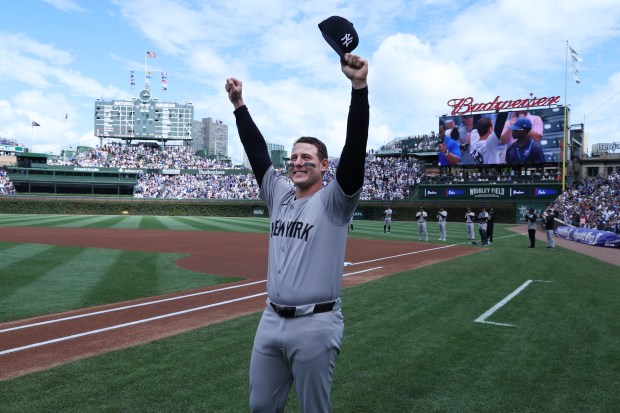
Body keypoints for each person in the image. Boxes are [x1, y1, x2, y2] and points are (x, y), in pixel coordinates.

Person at [226, 52, 369, 412]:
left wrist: (358, 88)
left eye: (307, 157)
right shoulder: (279, 194)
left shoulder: (336, 201)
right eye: (293, 157)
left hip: (316, 323)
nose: (298, 162)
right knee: (260, 407)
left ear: (324, 165)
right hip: (271, 319)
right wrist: (239, 105)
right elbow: (257, 152)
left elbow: (354, 154)